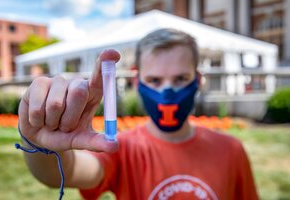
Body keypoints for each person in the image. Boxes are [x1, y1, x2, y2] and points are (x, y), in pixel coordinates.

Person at [18, 28, 258, 200]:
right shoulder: (120, 148)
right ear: (137, 82)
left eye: (180, 79)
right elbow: (67, 173)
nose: (167, 91)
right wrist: (41, 141)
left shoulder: (230, 150)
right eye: (154, 80)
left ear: (198, 80)